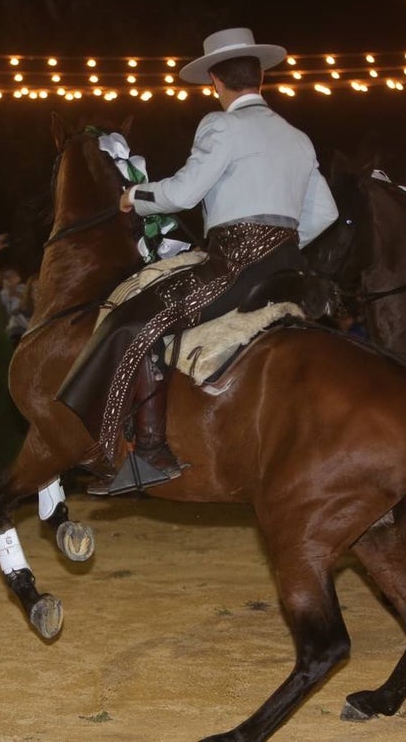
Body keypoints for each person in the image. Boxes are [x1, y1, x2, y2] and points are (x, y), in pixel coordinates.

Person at [58, 27, 338, 494]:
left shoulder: (220, 125)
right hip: (290, 270)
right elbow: (325, 214)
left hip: (234, 267)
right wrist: (280, 243)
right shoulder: (298, 138)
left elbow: (185, 192)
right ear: (260, 79)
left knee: (135, 320)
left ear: (215, 81)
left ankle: (149, 453)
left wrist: (135, 196)